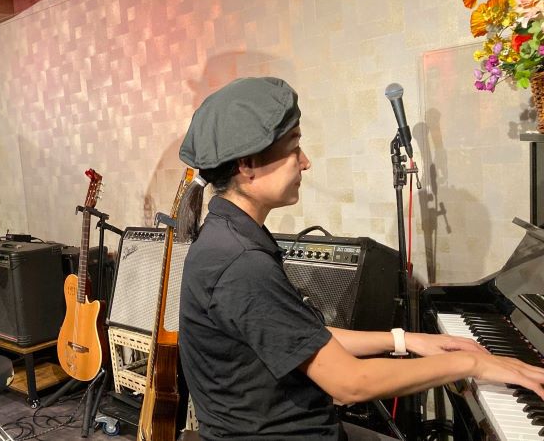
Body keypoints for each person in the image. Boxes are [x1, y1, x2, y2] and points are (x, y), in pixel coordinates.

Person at [175, 77, 544, 440]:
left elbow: (302, 336)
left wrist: (405, 340)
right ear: (247, 165)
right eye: (294, 148)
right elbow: (350, 383)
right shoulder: (240, 263)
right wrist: (472, 362)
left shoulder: (229, 236)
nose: (306, 162)